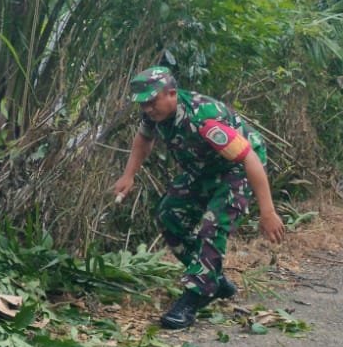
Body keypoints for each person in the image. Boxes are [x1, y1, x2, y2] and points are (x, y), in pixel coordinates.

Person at [111, 66, 286, 330]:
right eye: (143, 103)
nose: (147, 108)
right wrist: (128, 175)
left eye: (152, 101)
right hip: (205, 169)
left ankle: (194, 297)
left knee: (212, 226)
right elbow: (144, 138)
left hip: (237, 169)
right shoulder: (155, 113)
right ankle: (212, 278)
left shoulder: (204, 120)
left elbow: (249, 158)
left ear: (171, 93)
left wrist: (268, 212)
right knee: (168, 215)